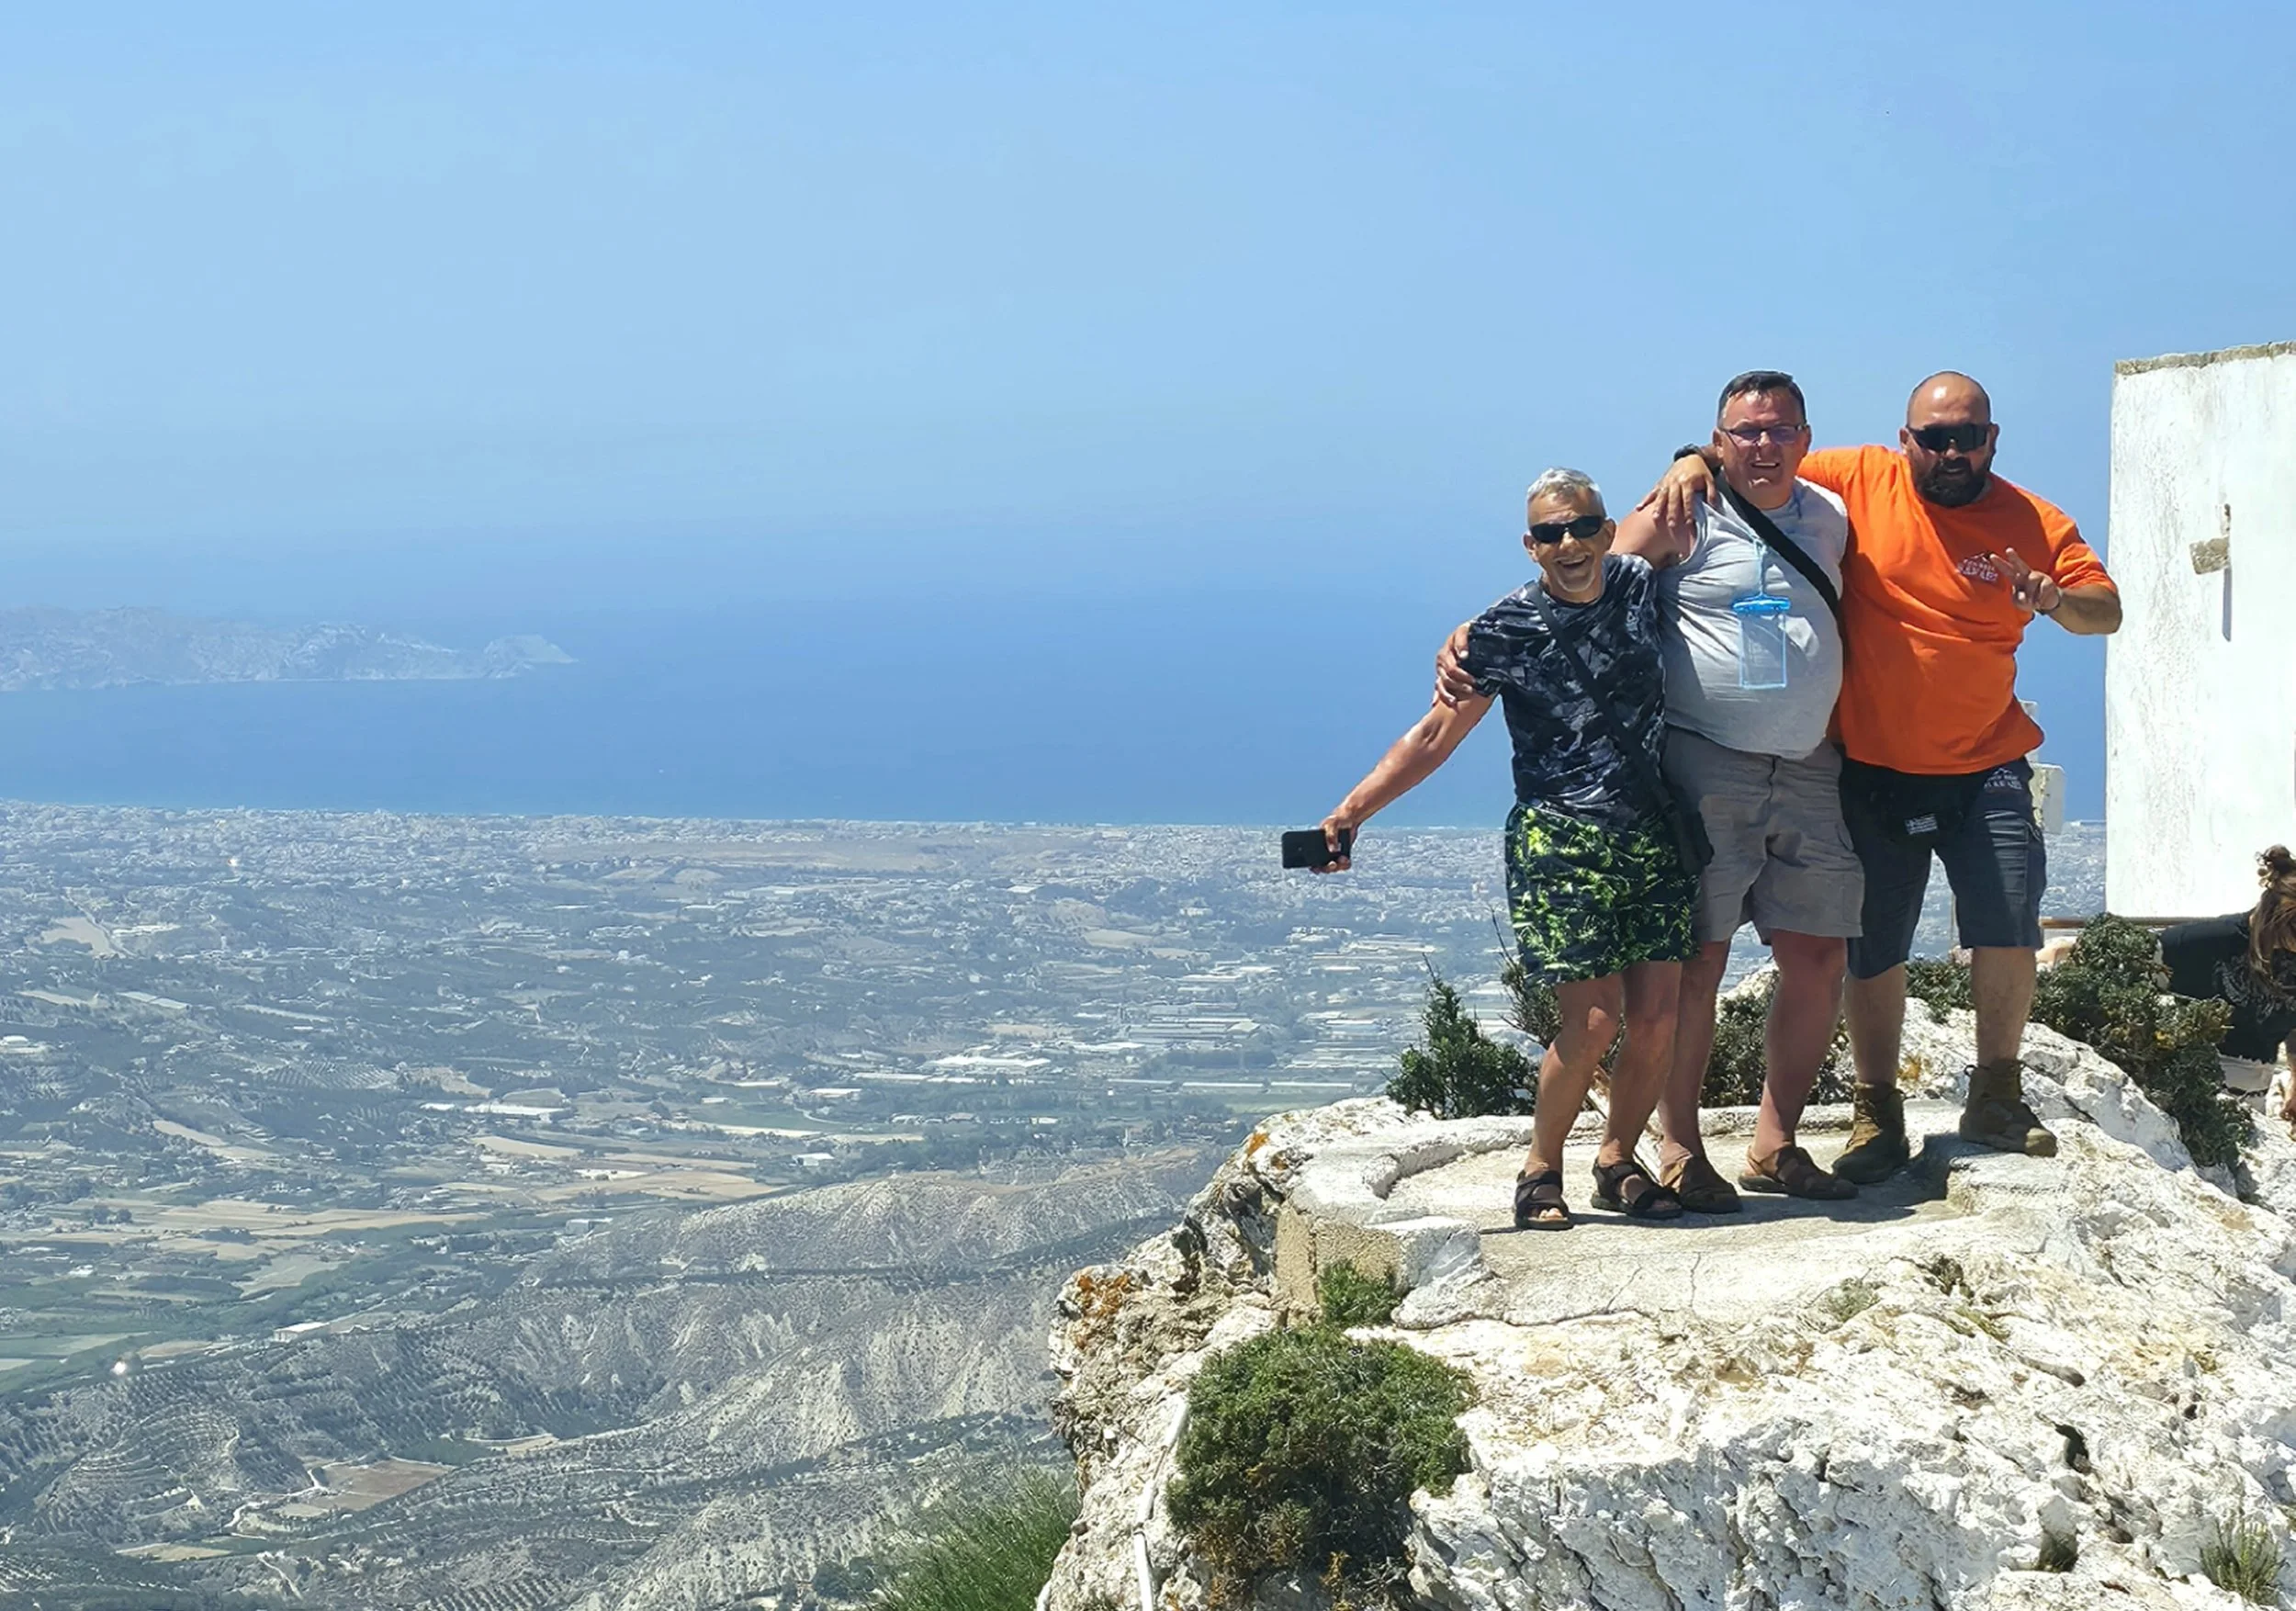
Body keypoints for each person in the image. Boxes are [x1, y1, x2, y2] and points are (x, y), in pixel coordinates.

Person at [1645, 373, 2122, 1180]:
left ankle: (1996, 1094)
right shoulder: (1859, 479)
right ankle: (1876, 1115)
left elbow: (2103, 607)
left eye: (1967, 436)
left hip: (1987, 760)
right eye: (1933, 437)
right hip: (1872, 765)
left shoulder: (2035, 520)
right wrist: (1692, 459)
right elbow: (1764, 456)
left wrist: (2053, 601)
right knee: (1874, 947)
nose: (1951, 451)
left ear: (1992, 440)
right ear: (1905, 441)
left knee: (2007, 924)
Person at [1438, 371, 1860, 1209]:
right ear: (1719, 438)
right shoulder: (1680, 511)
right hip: (1706, 766)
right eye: (1744, 433)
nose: (1764, 445)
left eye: (1780, 431)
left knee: (1817, 954)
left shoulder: (1833, 510)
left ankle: (1776, 1146)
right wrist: (1477, 636)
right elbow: (1582, 581)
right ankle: (1677, 1149)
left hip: (1812, 763)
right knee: (1695, 964)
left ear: (1808, 437)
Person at [1318, 468, 1695, 1230]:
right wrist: (1352, 812)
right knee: (1590, 1025)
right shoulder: (1502, 630)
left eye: (1583, 527)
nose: (1570, 544)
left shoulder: (1633, 580)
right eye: (1551, 533)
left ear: (1605, 528)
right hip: (1559, 838)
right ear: (1530, 546)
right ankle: (1540, 1168)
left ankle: (1618, 1160)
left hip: (1652, 831)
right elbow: (1435, 736)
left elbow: (1697, 478)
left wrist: (1694, 457)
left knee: (1658, 1017)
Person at [2161, 848, 2296, 1119]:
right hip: (2184, 1096)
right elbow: (2130, 954)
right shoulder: (2210, 941)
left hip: (2252, 1106)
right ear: (2277, 911)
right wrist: (2058, 953)